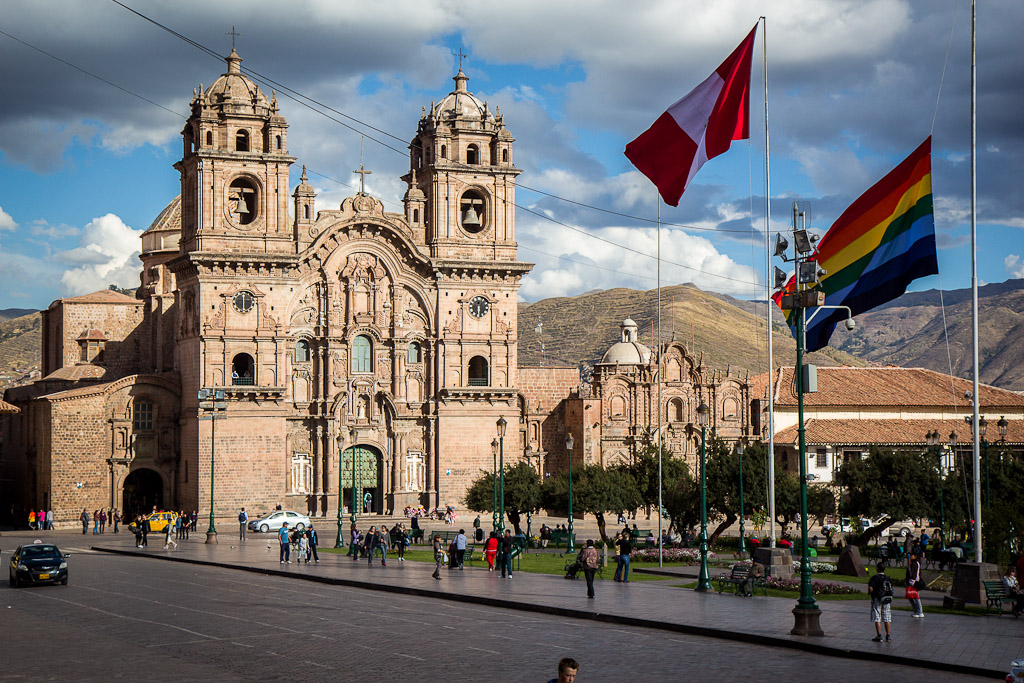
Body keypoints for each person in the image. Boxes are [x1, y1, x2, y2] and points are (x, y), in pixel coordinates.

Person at [867, 562, 893, 642]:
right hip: (887, 599)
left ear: (877, 569)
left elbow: (871, 588)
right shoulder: (888, 578)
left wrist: (869, 593)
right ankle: (888, 636)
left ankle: (879, 636)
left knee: (877, 616)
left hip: (877, 598)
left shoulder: (875, 578)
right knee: (887, 617)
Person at [906, 550, 924, 618]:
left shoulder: (915, 563)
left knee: (916, 597)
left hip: (915, 583)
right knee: (911, 597)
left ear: (915, 556)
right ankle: (916, 610)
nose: (911, 556)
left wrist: (912, 582)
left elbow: (915, 574)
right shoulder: (912, 563)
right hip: (911, 582)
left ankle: (919, 611)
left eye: (912, 555)